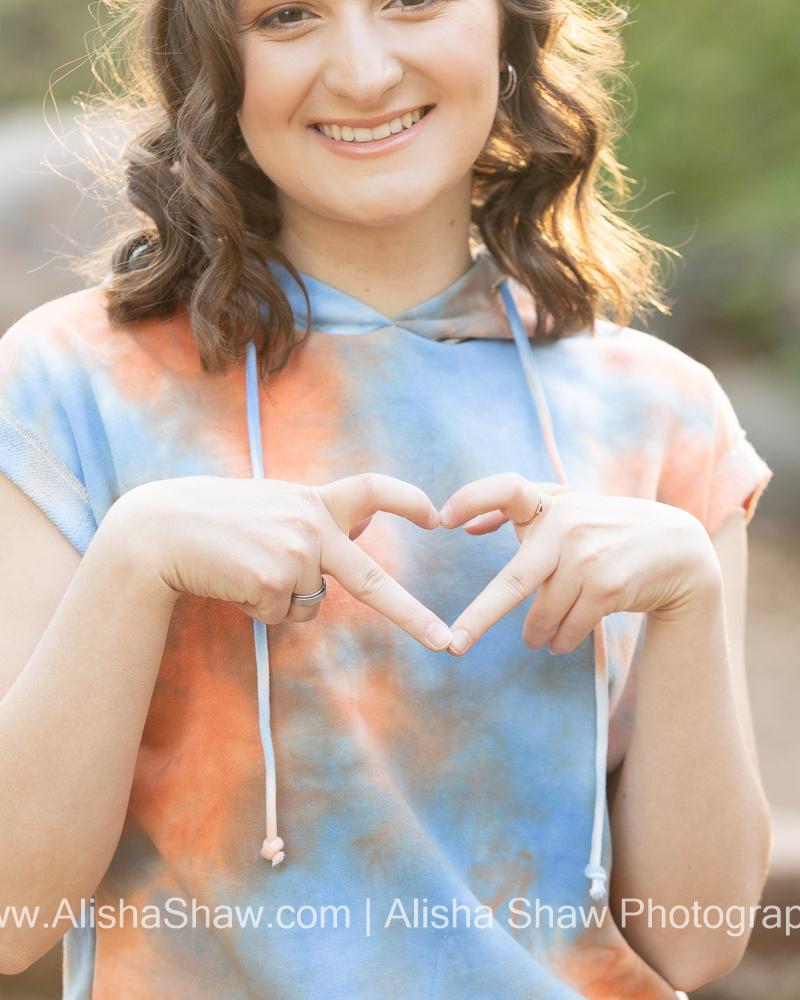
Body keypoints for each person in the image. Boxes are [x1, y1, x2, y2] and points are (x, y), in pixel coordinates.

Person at [0, 0, 773, 997]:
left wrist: (688, 594)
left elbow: (696, 942)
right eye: (287, 15)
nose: (362, 72)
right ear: (212, 57)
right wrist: (133, 559)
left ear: (505, 23)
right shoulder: (67, 385)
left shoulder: (664, 412)